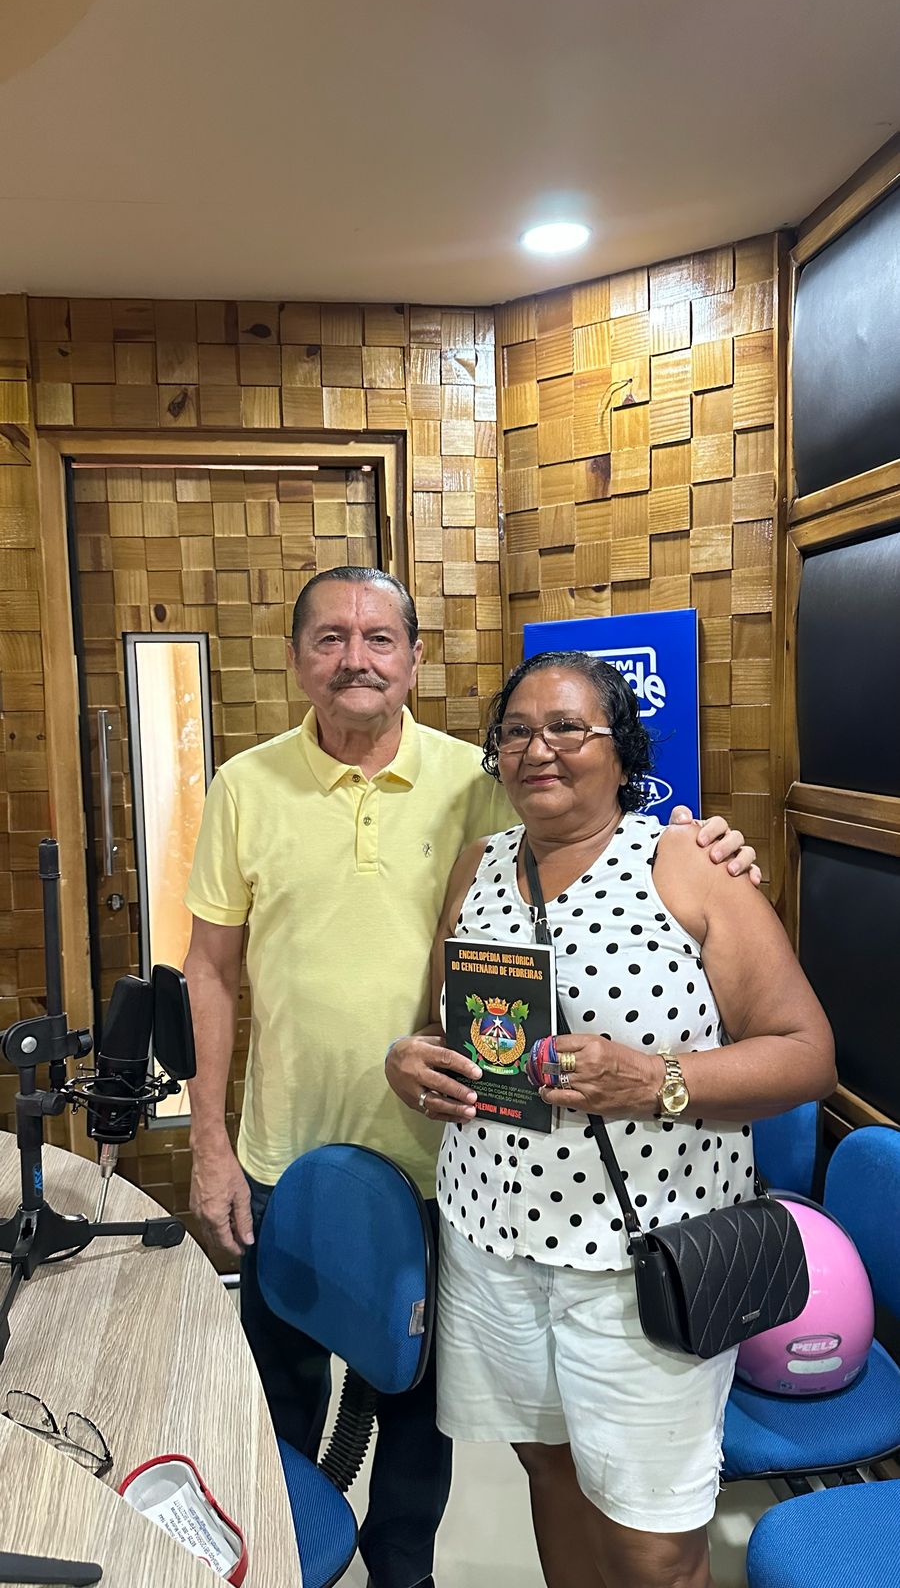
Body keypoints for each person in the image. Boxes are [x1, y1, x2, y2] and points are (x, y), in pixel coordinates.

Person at [183, 570, 760, 1588]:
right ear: (296, 658)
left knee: (420, 1429)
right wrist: (209, 1142)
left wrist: (717, 842)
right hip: (286, 1160)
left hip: (446, 1174)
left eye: (379, 637)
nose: (355, 657)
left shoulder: (479, 780)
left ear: (414, 658)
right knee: (277, 1407)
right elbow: (210, 970)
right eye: (329, 637)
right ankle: (271, 1566)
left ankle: (404, 1578)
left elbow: (592, 827)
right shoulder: (243, 786)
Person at [385, 650, 835, 1588]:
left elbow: (806, 1054)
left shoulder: (687, 865)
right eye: (516, 732)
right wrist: (412, 1059)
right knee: (548, 1471)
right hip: (491, 1242)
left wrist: (654, 1080)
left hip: (638, 1261)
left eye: (567, 729)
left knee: (653, 1545)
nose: (538, 749)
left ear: (622, 751)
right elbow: (446, 1024)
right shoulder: (477, 866)